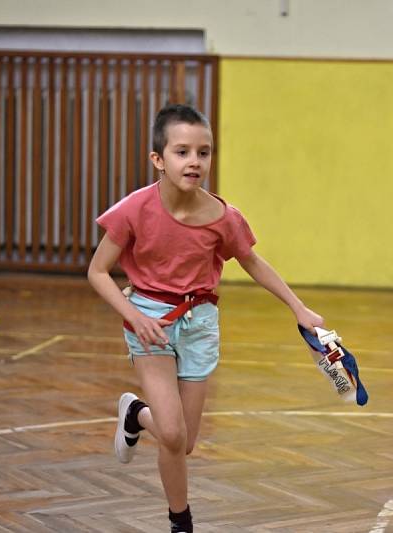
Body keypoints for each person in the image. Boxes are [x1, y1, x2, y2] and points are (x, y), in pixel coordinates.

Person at [87, 104, 324, 533]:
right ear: (158, 159)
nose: (194, 161)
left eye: (204, 152)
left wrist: (298, 307)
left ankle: (135, 414)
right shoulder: (134, 210)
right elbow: (97, 271)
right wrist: (134, 316)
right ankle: (182, 523)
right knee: (173, 435)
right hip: (151, 322)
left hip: (199, 325)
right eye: (182, 152)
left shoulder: (223, 217)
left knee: (187, 442)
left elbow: (252, 261)